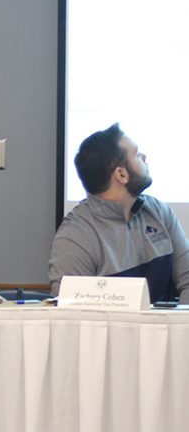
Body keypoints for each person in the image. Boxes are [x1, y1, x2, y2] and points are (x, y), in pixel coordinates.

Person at [49, 123, 189, 302]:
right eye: (137, 155)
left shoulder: (160, 212)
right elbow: (72, 317)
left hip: (167, 329)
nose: (145, 157)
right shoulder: (74, 238)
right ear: (121, 174)